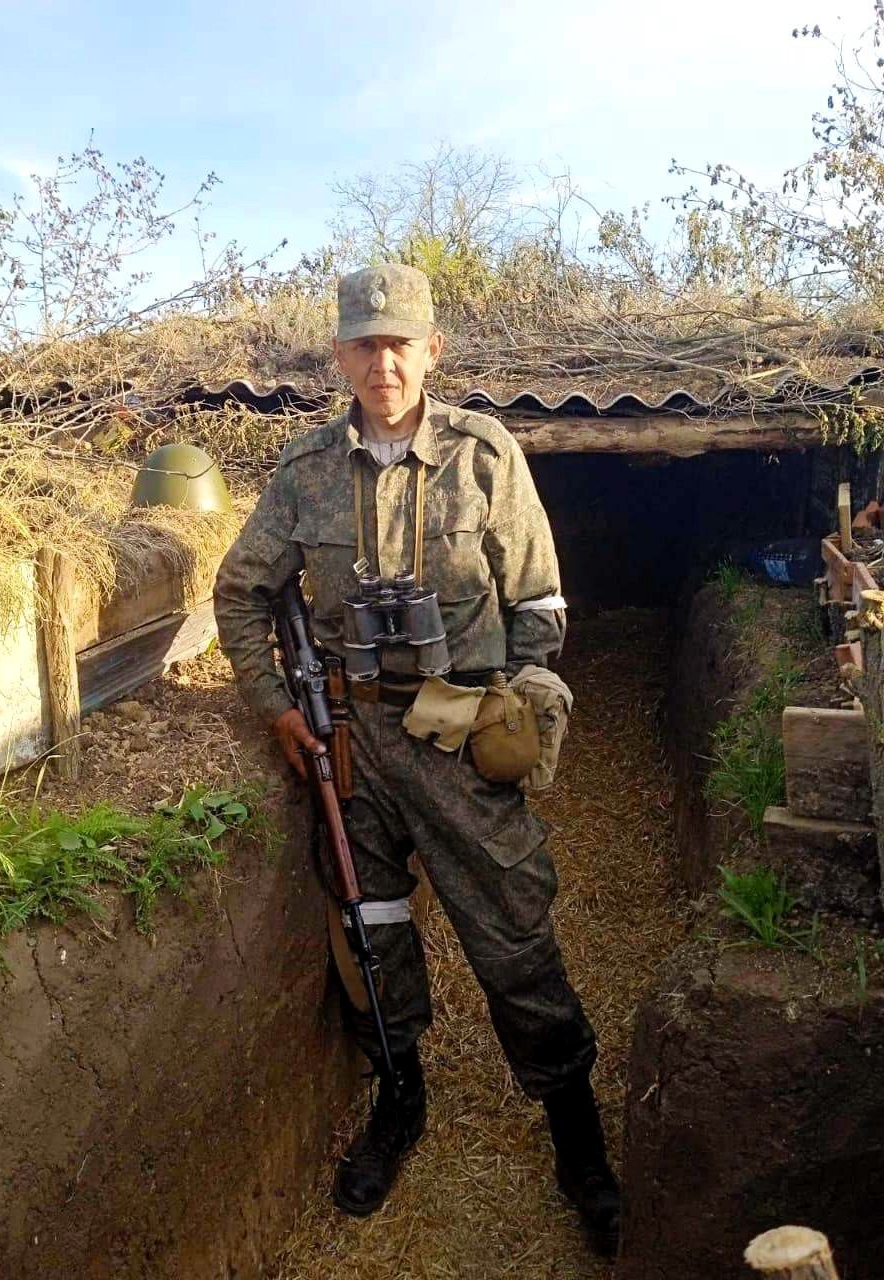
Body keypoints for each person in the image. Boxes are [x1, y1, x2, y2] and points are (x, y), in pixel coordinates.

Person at [213, 263, 620, 1254]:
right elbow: (238, 592)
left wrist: (514, 703)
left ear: (432, 350)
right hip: (350, 741)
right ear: (340, 357)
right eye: (365, 345)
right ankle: (400, 1099)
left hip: (457, 736)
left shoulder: (486, 455)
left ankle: (577, 1135)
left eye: (399, 343)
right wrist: (278, 709)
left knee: (512, 930)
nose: (383, 363)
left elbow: (540, 602)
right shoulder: (305, 468)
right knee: (373, 924)